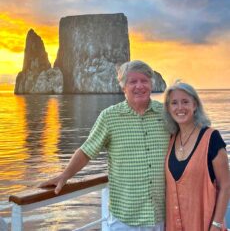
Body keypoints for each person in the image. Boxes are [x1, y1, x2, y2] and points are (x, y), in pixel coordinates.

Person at [40, 60, 170, 230]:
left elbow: (187, 143)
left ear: (151, 84)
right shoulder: (109, 117)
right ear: (123, 87)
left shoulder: (166, 114)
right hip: (125, 218)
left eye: (144, 80)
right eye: (133, 81)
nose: (140, 86)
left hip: (161, 216)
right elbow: (87, 151)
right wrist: (65, 176)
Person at [163, 81, 230, 231]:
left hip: (205, 225)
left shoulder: (212, 138)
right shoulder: (170, 139)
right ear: (168, 109)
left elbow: (225, 185)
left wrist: (216, 225)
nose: (180, 107)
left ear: (195, 105)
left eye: (185, 102)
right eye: (174, 103)